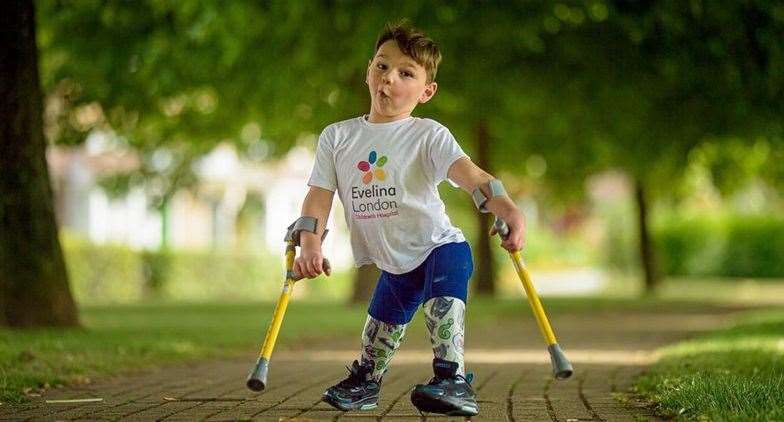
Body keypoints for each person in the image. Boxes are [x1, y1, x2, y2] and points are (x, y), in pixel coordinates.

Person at [293, 21, 525, 416]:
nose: (390, 79)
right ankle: (366, 383)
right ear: (369, 69)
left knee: (442, 307)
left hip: (440, 247)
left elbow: (470, 175)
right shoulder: (337, 137)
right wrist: (310, 243)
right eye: (382, 66)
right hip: (394, 262)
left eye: (406, 73)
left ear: (426, 90)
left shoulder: (428, 135)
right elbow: (318, 197)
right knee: (380, 328)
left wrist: (506, 207)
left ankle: (452, 378)